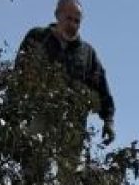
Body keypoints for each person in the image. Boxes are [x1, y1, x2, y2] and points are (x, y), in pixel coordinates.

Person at [17, 0, 116, 145]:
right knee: (33, 163)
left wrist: (109, 121)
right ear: (57, 15)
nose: (73, 24)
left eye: (77, 20)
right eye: (69, 18)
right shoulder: (37, 37)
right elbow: (19, 73)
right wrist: (12, 110)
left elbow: (102, 89)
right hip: (38, 114)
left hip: (72, 123)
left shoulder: (87, 53)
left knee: (71, 167)